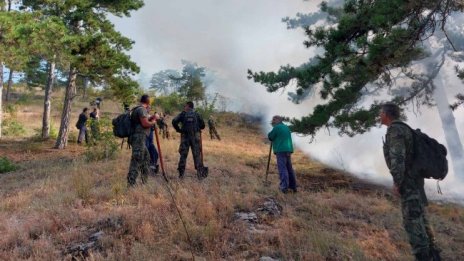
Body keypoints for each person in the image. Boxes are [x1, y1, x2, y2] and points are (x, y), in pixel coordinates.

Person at [380, 103, 441, 261]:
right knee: (421, 217)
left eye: (381, 113)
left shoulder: (395, 130)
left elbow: (398, 159)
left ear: (386, 114)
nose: (379, 116)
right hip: (416, 181)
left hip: (408, 183)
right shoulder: (405, 128)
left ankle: (423, 256)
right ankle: (434, 254)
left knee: (412, 221)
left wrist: (397, 183)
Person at [127, 94, 158, 186]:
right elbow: (145, 124)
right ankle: (131, 184)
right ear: (148, 102)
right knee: (136, 160)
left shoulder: (138, 109)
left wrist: (152, 117)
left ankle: (144, 182)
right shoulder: (141, 109)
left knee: (146, 158)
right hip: (138, 138)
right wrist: (153, 122)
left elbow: (143, 120)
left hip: (139, 138)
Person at [172, 101, 206, 179]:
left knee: (183, 155)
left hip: (185, 137)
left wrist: (179, 129)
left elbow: (174, 121)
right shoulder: (197, 114)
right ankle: (200, 174)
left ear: (188, 106)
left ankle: (181, 174)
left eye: (185, 106)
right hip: (195, 138)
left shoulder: (183, 114)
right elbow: (203, 125)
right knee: (197, 155)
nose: (184, 107)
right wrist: (197, 128)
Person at [267, 115, 297, 193]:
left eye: (274, 120)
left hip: (281, 150)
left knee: (282, 169)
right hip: (288, 150)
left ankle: (284, 187)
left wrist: (272, 131)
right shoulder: (286, 127)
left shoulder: (277, 127)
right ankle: (293, 187)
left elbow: (270, 136)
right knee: (289, 169)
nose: (272, 121)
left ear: (278, 120)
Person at [146, 107, 160, 175]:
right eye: (148, 108)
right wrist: (153, 118)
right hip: (144, 140)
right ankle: (147, 169)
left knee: (155, 153)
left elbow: (154, 127)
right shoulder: (142, 115)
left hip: (150, 141)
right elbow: (146, 121)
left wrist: (154, 121)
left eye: (150, 108)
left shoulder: (149, 116)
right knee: (146, 154)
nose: (149, 109)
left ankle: (152, 167)